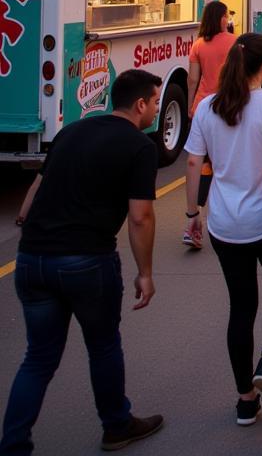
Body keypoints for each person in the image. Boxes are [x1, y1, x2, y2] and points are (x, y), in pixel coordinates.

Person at [1, 69, 164, 454]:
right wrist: (145, 273)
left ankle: (13, 444)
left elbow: (37, 186)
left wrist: (26, 222)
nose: (157, 109)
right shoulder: (140, 146)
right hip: (86, 261)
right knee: (103, 345)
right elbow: (140, 216)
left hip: (32, 259)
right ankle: (116, 424)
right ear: (140, 104)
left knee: (38, 358)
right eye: (156, 102)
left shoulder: (71, 131)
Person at [183, 34, 262, 427]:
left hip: (225, 222)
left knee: (241, 307)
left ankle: (245, 400)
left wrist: (191, 212)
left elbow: (195, 164)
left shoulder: (207, 109)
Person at [185, 0, 235, 249]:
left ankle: (193, 219)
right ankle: (222, 218)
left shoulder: (198, 44)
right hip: (229, 106)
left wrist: (189, 106)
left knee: (201, 163)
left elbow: (193, 79)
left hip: (203, 106)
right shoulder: (235, 42)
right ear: (222, 19)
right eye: (227, 16)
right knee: (225, 163)